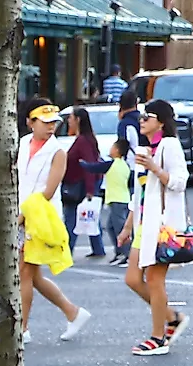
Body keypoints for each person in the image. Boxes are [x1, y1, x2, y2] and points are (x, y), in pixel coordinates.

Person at [16, 105, 90, 347]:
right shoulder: (23, 142)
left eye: (53, 122)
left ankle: (22, 327)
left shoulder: (58, 150)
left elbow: (49, 190)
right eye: (44, 121)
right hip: (22, 214)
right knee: (32, 275)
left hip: (41, 217)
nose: (50, 126)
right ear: (30, 122)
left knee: (25, 271)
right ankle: (73, 312)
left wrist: (23, 215)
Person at [121, 100, 191, 356]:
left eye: (147, 117)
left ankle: (158, 336)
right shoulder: (145, 148)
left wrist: (155, 168)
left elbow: (179, 182)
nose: (141, 121)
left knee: (154, 280)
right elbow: (139, 193)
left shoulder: (169, 145)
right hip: (144, 223)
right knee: (132, 279)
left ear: (161, 121)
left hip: (163, 225)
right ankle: (172, 317)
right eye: (140, 117)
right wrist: (128, 226)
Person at [62, 107, 104, 259]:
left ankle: (67, 250)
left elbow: (88, 164)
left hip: (79, 183)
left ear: (77, 120)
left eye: (71, 118)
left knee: (71, 218)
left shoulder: (82, 141)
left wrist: (90, 189)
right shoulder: (84, 139)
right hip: (81, 182)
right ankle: (97, 247)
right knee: (89, 216)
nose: (69, 120)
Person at [101, 139, 135, 265]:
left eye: (112, 147)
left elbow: (94, 167)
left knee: (120, 228)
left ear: (117, 150)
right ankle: (120, 251)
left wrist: (81, 163)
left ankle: (128, 254)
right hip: (121, 199)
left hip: (118, 200)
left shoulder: (112, 164)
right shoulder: (124, 165)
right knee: (110, 227)